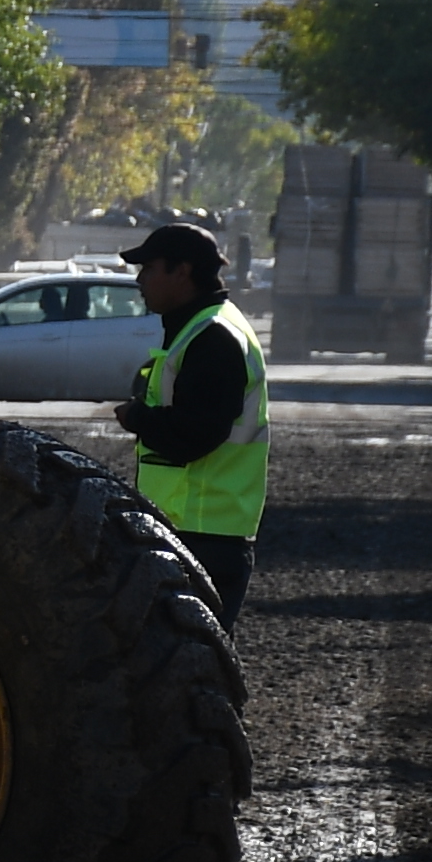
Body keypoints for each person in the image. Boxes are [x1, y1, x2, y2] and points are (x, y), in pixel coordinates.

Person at [113, 219, 266, 625]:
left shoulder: (212, 336)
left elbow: (195, 433)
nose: (140, 279)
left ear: (182, 272)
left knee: (186, 669)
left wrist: (137, 417)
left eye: (148, 268)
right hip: (202, 529)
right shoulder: (205, 328)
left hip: (200, 534)